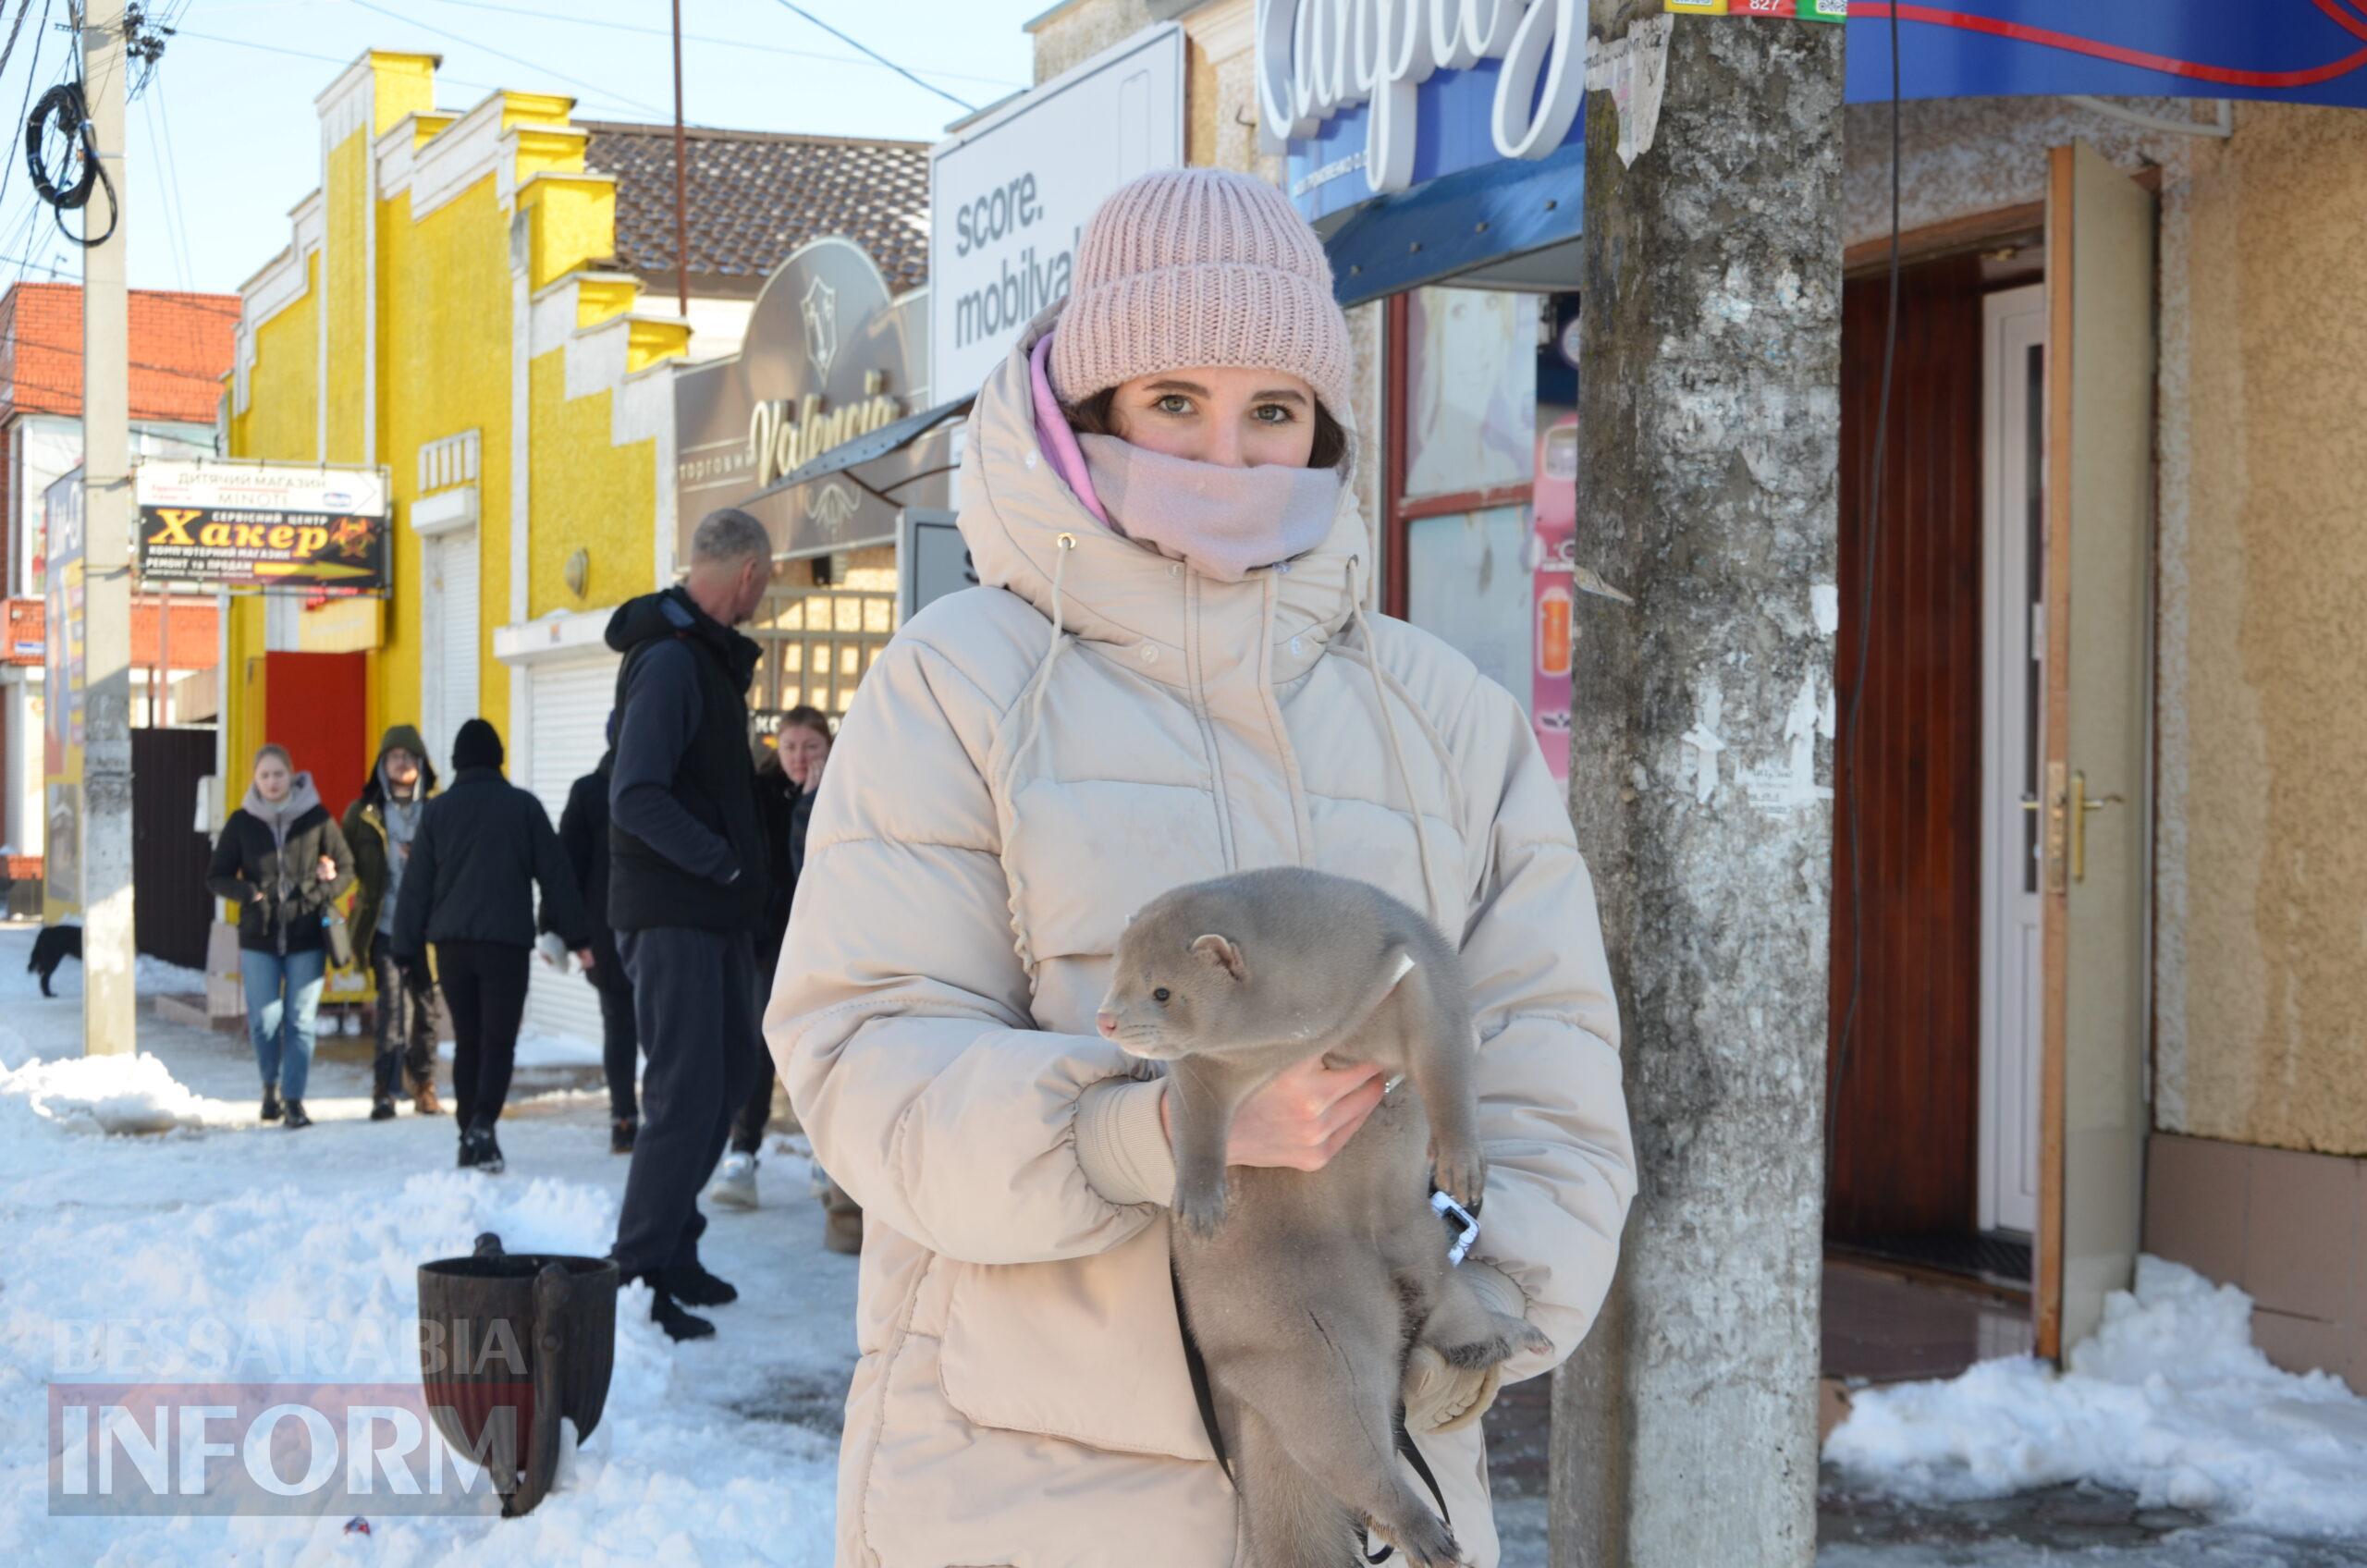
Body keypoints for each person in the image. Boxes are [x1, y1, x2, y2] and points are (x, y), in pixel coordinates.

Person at [766, 168, 1637, 1566]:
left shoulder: (1446, 718)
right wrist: (1152, 1131)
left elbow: (1552, 1071)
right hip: (1028, 1504)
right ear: (1089, 410)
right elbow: (865, 1051)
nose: (1227, 457)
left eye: (1272, 411)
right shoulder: (961, 684)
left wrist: (1448, 1342)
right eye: (1174, 401)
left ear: (1324, 427)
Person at [605, 507, 773, 1341]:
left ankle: (675, 1246)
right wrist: (723, 861)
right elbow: (634, 794)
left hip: (712, 914)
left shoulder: (704, 659)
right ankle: (636, 1275)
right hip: (674, 913)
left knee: (728, 1079)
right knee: (683, 1096)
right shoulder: (671, 661)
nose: (763, 593)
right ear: (746, 572)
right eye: (765, 580)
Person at [390, 717, 592, 1174]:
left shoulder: (437, 813)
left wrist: (405, 948)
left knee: (468, 1042)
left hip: (453, 946)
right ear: (498, 758)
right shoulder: (523, 807)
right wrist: (578, 936)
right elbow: (557, 876)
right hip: (506, 945)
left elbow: (416, 887)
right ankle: (483, 1123)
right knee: (498, 1042)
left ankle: (470, 1136)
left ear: (457, 761)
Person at [707, 706, 832, 1221]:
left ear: (829, 748)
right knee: (759, 1047)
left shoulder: (844, 792)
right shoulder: (758, 795)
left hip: (824, 943)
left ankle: (828, 1155)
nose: (799, 757)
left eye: (811, 747)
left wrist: (814, 802)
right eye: (790, 747)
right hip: (767, 942)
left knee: (822, 1046)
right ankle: (743, 1152)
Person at [206, 743, 354, 1130]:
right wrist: (248, 893)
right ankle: (270, 1087)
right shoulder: (242, 822)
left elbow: (347, 868)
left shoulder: (316, 817)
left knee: (301, 1021)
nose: (272, 782)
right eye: (265, 775)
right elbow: (216, 876)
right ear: (255, 780)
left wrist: (320, 893)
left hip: (307, 935)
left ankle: (294, 1101)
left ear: (291, 774)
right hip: (260, 936)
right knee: (265, 1020)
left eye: (278, 774)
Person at [342, 725, 442, 1121]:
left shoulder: (436, 811)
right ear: (382, 765)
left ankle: (424, 1086)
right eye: (393, 756)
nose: (401, 763)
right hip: (383, 926)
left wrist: (423, 857)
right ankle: (384, 1090)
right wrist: (328, 872)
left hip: (428, 931)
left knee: (427, 1011)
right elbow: (344, 861)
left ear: (421, 763)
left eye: (409, 756)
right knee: (392, 1011)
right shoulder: (364, 814)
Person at [556, 711, 639, 1155]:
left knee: (665, 1032)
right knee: (620, 1028)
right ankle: (624, 1116)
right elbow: (566, 867)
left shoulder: (669, 785)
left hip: (664, 929)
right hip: (606, 935)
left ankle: (667, 1116)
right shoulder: (589, 792)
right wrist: (574, 937)